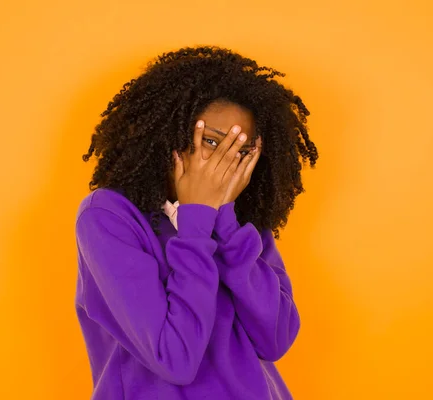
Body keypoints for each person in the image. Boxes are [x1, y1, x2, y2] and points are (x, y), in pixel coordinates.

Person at [75, 46, 318, 400]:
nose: (223, 163)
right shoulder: (108, 217)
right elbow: (175, 358)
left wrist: (225, 222)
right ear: (172, 134)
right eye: (211, 142)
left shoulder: (243, 225)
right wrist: (196, 218)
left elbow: (275, 338)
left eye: (241, 151)